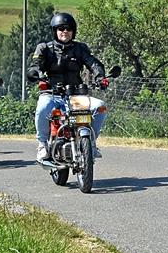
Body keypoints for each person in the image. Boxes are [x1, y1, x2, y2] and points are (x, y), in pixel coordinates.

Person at [27, 11, 108, 162]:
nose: (65, 31)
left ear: (73, 31)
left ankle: (90, 142)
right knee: (43, 107)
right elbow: (35, 65)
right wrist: (35, 74)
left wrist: (100, 77)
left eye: (68, 29)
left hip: (76, 96)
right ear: (54, 31)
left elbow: (93, 63)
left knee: (100, 107)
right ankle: (42, 144)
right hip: (52, 93)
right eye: (61, 28)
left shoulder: (80, 48)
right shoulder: (45, 48)